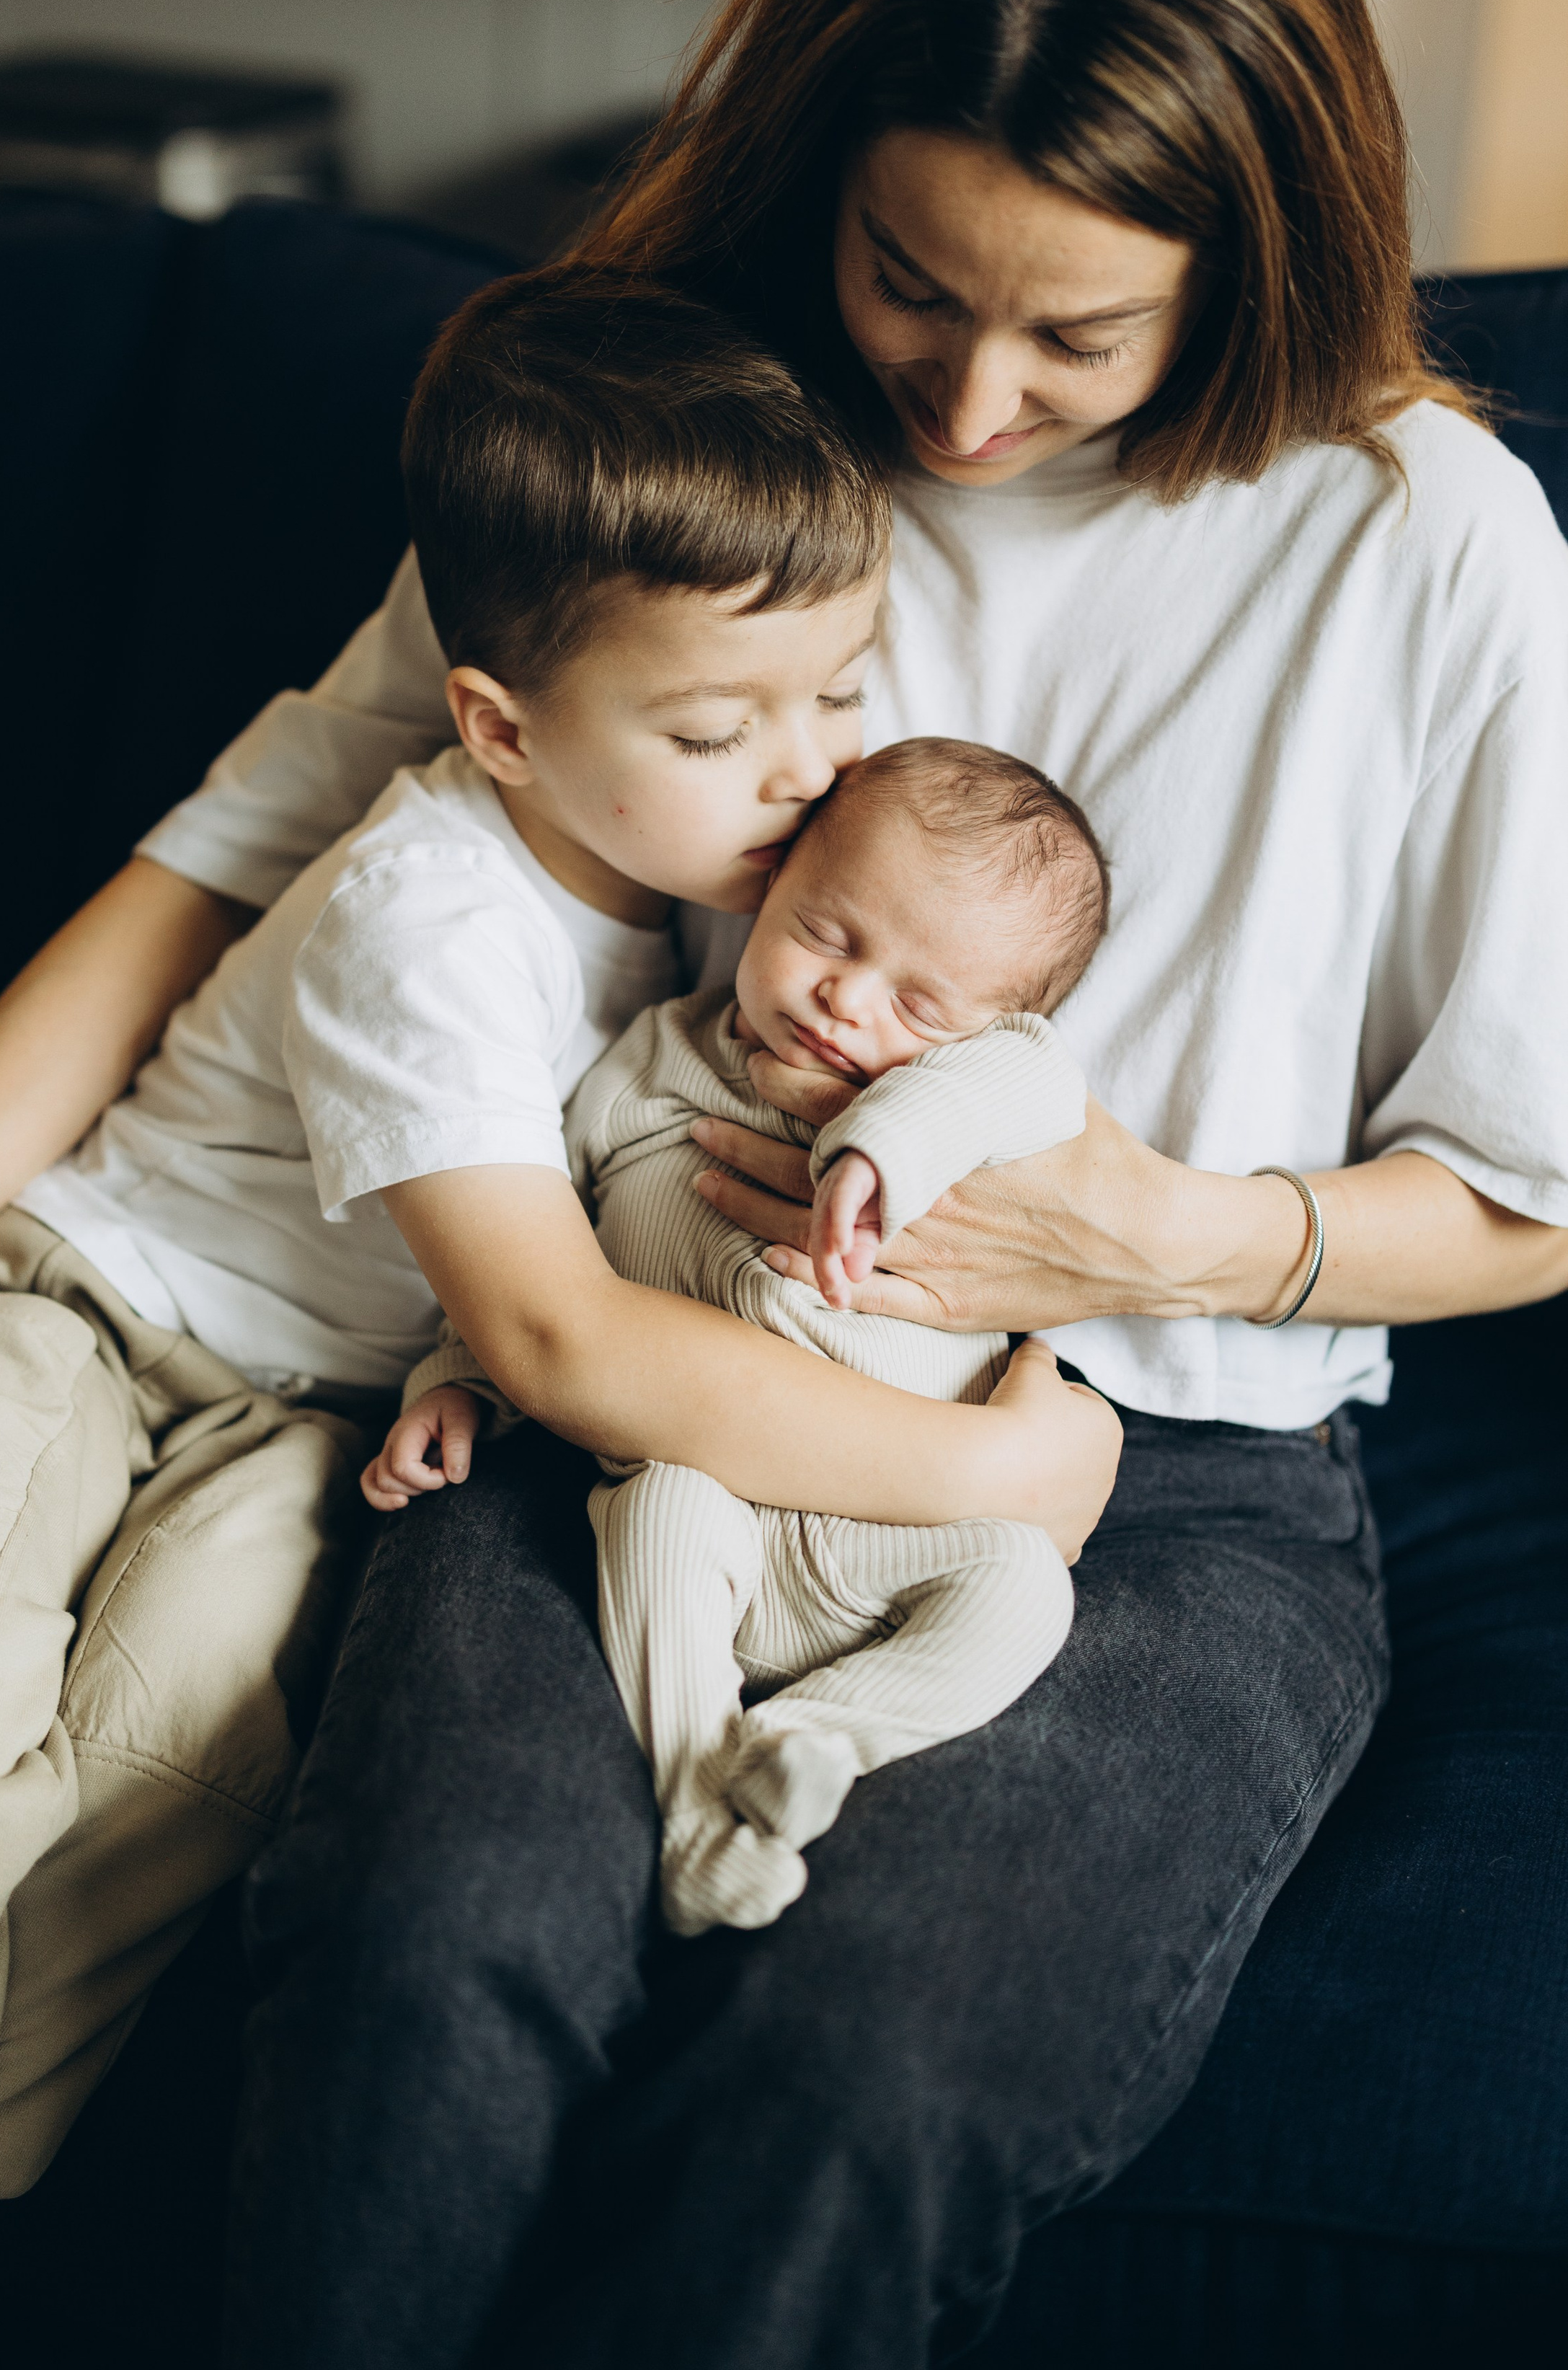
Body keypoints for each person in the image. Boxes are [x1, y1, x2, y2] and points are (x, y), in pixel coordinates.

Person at [0, 0, 1567, 2369]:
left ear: (1252, 257)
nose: (957, 406)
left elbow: (1535, 1181)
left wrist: (1176, 1239)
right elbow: (229, 857)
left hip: (1165, 1464)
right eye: (916, 282)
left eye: (1079, 329)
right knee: (407, 1962)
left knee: (866, 2082)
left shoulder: (1429, 547)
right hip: (645, 1373)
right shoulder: (689, 436)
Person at [0, 275, 1115, 2370]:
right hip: (101, 1298)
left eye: (838, 693)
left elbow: (978, 1069)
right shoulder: (428, 910)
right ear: (497, 724)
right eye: (725, 730)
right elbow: (561, 1332)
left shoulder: (731, 890)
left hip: (311, 1410)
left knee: (176, 1751)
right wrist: (996, 1473)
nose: (806, 771)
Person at [371, 736, 1109, 1937]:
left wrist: (886, 1143)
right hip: (703, 1500)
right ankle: (701, 1813)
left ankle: (803, 1745)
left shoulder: (983, 1101)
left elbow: (1031, 1077)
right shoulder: (646, 1067)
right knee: (661, 1508)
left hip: (898, 1540)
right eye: (827, 933)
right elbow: (527, 1250)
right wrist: (458, 1378)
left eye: (921, 1004)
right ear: (771, 894)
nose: (847, 999)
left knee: (1022, 1585)